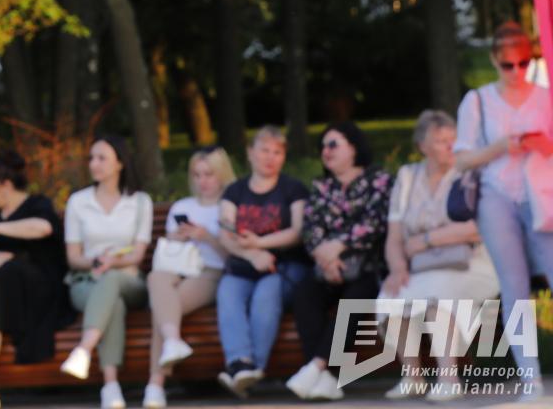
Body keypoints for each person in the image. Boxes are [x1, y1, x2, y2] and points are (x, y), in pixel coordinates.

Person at [453, 21, 553, 402]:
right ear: (494, 61)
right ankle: (531, 380)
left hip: (542, 195)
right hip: (496, 196)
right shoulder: (477, 101)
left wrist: (541, 144)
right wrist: (500, 147)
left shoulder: (545, 96)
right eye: (508, 64)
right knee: (514, 287)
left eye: (524, 63)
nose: (517, 71)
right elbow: (462, 160)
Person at [376, 110, 499, 403]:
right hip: (423, 266)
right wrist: (397, 268)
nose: (449, 145)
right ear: (423, 146)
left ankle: (449, 379)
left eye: (452, 139)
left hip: (472, 262)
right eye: (441, 140)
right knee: (389, 299)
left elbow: (478, 228)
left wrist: (426, 240)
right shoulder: (407, 177)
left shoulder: (467, 173)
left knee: (438, 299)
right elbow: (394, 236)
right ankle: (413, 377)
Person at [0, 151, 71, 409]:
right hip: (0, 298)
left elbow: (43, 228)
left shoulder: (37, 204)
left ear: (5, 184)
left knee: (4, 274)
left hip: (39, 294)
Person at [286, 121, 392, 401]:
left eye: (333, 144)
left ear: (354, 148)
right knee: (305, 294)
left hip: (370, 267)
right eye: (323, 146)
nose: (326, 151)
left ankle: (316, 368)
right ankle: (326, 378)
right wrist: (327, 260)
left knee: (355, 300)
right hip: (327, 268)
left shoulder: (379, 180)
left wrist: (339, 245)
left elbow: (376, 222)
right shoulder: (322, 187)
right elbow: (311, 230)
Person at [214, 126, 309, 399]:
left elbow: (297, 232)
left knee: (266, 295)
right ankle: (239, 362)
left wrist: (260, 243)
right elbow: (226, 232)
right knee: (228, 292)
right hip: (244, 265)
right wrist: (252, 255)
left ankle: (253, 368)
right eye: (264, 150)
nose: (270, 157)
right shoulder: (235, 191)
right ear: (250, 153)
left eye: (277, 152)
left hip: (284, 266)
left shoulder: (293, 188)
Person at [59, 135, 153, 409]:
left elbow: (137, 255)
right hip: (86, 281)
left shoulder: (140, 201)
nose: (94, 164)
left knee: (113, 281)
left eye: (102, 158)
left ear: (120, 163)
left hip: (129, 280)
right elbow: (74, 258)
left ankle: (84, 349)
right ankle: (111, 386)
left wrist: (112, 263)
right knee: (115, 304)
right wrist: (96, 262)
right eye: (92, 158)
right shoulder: (78, 201)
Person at [142, 145, 235, 409]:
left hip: (211, 271)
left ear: (222, 174)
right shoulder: (182, 206)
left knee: (164, 310)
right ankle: (172, 341)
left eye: (209, 174)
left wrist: (207, 237)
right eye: (197, 174)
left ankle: (155, 384)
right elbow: (169, 252)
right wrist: (176, 237)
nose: (202, 181)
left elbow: (233, 256)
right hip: (179, 268)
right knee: (156, 278)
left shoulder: (228, 207)